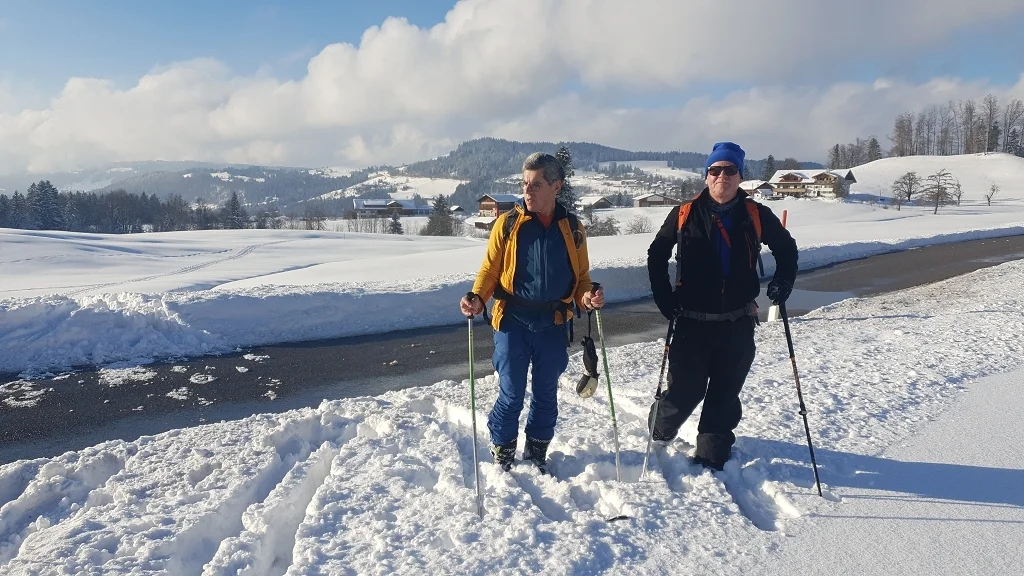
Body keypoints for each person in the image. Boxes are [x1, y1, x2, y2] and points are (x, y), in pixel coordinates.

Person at [647, 141, 798, 471]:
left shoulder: (756, 214)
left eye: (730, 170)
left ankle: (711, 451)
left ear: (740, 176)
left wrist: (784, 281)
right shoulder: (684, 213)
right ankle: (660, 427)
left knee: (724, 394)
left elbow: (787, 250)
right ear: (706, 176)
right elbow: (656, 254)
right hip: (691, 321)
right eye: (715, 170)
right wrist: (663, 297)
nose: (722, 177)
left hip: (738, 322)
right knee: (685, 390)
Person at [460, 152, 605, 472]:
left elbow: (581, 279)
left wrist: (589, 297)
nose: (528, 190)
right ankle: (502, 447)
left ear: (556, 186)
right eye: (525, 183)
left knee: (545, 394)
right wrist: (478, 297)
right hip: (512, 321)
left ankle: (537, 451)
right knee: (511, 393)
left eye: (536, 184)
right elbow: (489, 271)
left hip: (553, 323)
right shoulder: (508, 224)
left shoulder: (572, 228)